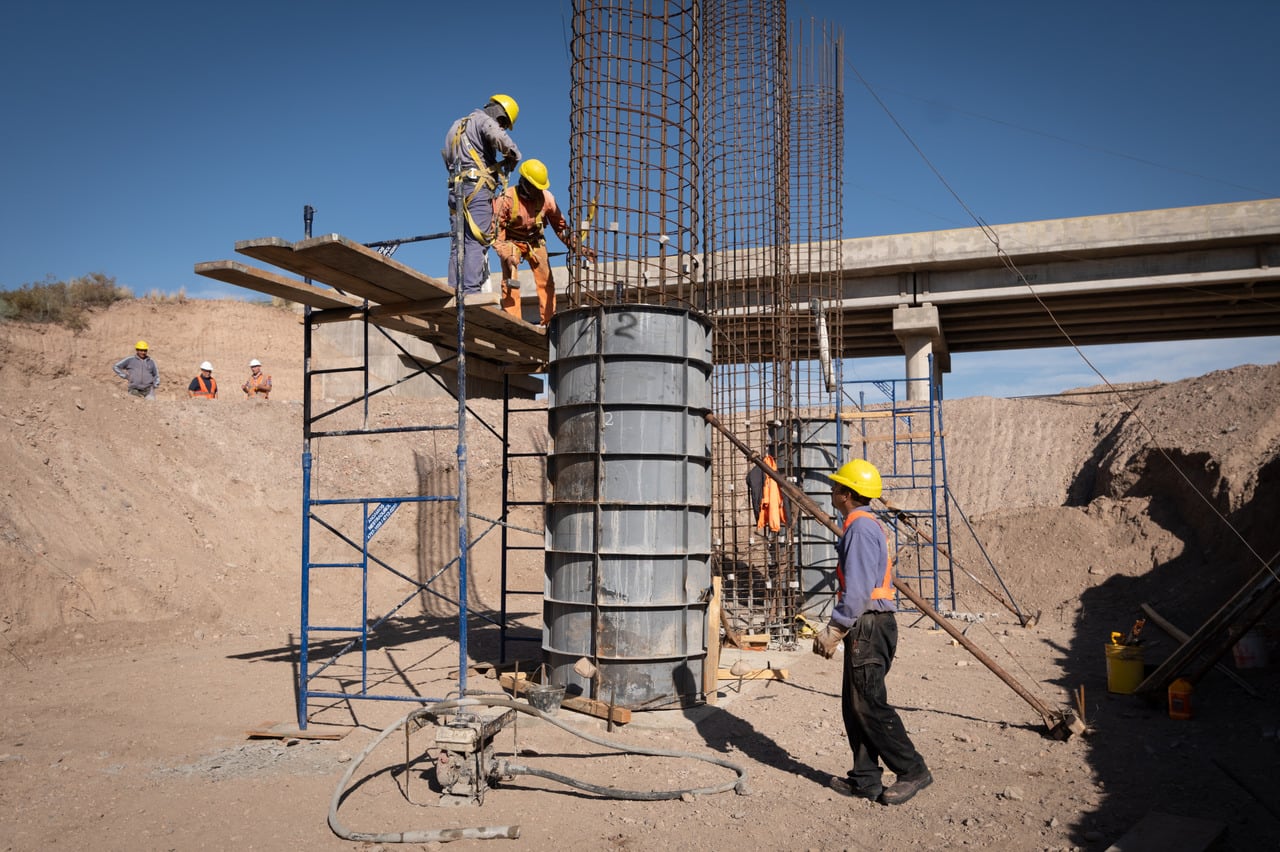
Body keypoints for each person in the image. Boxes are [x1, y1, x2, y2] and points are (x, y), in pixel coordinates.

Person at [813, 458, 933, 806]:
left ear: (847, 494)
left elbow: (861, 587)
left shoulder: (861, 529)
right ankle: (865, 779)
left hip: (868, 625)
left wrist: (836, 626)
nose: (832, 490)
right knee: (855, 706)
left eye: (837, 486)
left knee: (869, 705)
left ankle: (913, 770)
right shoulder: (860, 525)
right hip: (865, 626)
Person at [492, 158, 594, 326]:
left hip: (535, 242)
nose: (538, 191)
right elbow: (495, 233)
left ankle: (548, 322)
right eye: (535, 188)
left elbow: (562, 228)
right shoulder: (507, 198)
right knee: (511, 278)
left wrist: (580, 248)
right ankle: (513, 322)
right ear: (525, 183)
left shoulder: (547, 199)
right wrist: (505, 254)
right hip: (511, 242)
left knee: (546, 280)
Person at [441, 94, 522, 295]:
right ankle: (470, 292)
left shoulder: (456, 125)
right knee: (476, 241)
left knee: (458, 241)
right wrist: (513, 153)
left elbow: (447, 157)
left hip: (456, 189)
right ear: (499, 112)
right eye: (503, 121)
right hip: (477, 191)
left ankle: (454, 289)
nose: (502, 126)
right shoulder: (484, 120)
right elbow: (497, 136)